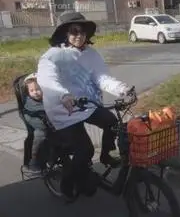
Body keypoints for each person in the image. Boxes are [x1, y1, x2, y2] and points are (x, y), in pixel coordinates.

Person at [36, 11, 132, 200]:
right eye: (74, 31)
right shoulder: (52, 56)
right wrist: (62, 95)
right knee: (85, 149)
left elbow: (101, 77)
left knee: (113, 123)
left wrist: (122, 89)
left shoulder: (91, 54)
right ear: (64, 33)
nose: (79, 36)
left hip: (87, 104)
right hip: (64, 109)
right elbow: (47, 80)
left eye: (82, 31)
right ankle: (68, 181)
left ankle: (105, 155)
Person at [22, 73, 47, 174]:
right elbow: (39, 109)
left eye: (38, 89)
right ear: (28, 92)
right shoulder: (29, 100)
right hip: (32, 116)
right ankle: (33, 161)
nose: (35, 92)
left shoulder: (46, 97)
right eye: (31, 90)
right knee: (41, 132)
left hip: (44, 116)